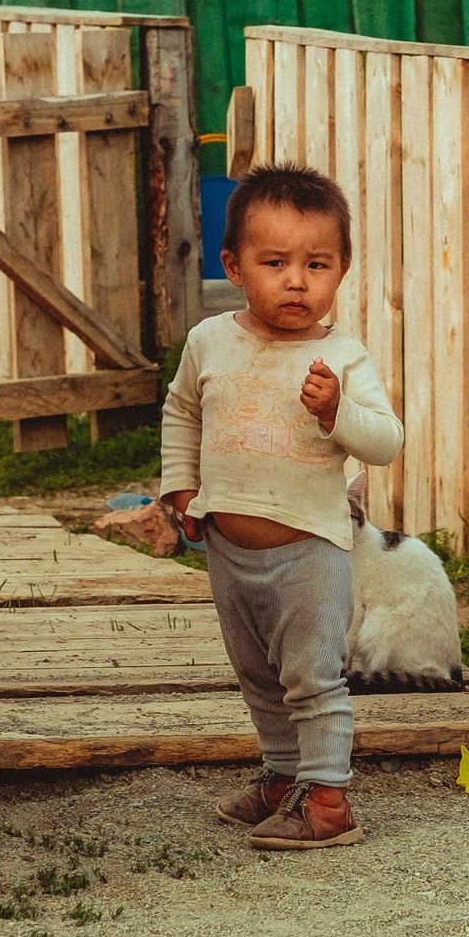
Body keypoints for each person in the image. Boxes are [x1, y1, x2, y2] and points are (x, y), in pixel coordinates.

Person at [160, 161, 402, 849]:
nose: (297, 281)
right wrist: (182, 486)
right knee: (258, 675)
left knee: (312, 677)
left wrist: (338, 414)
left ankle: (327, 801)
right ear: (234, 266)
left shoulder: (343, 359)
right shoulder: (210, 343)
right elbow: (181, 413)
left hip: (309, 551)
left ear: (342, 269)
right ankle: (282, 777)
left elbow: (386, 441)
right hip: (229, 551)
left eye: (317, 264)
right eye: (276, 262)